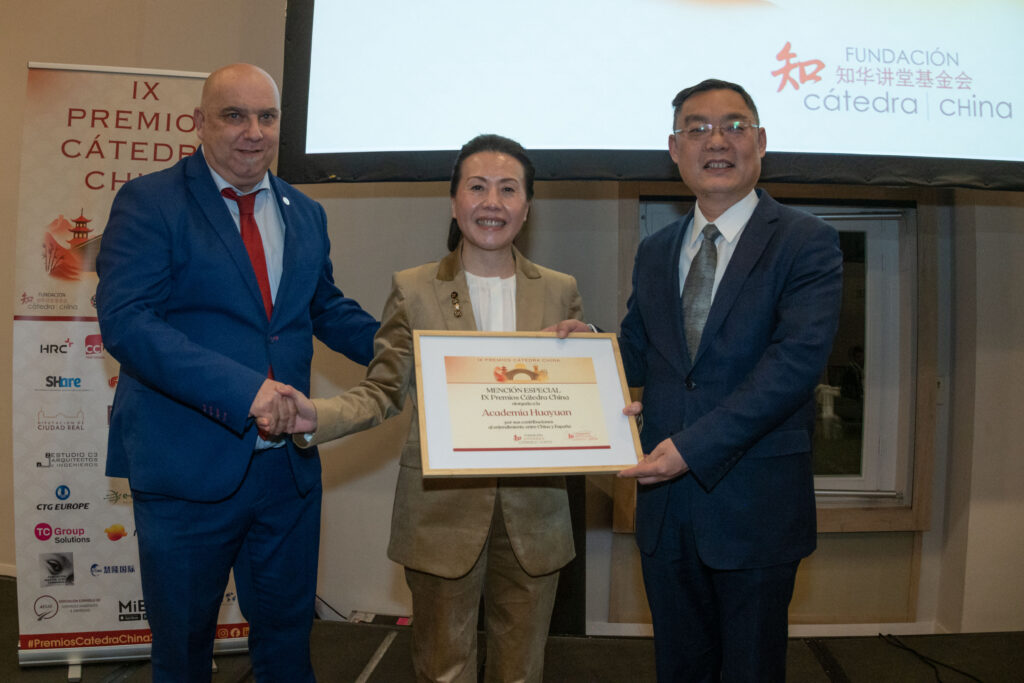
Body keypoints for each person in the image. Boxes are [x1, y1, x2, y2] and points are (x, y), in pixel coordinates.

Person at [96, 63, 379, 681]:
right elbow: (127, 322)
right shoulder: (149, 202)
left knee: (286, 642)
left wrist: (415, 352)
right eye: (234, 115)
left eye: (267, 117)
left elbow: (323, 307)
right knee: (184, 651)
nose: (254, 132)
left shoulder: (303, 211)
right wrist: (243, 391)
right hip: (186, 469)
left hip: (287, 474)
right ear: (199, 122)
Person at [553, 79, 843, 682]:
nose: (717, 140)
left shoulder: (806, 241)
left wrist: (691, 449)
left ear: (761, 143)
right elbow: (643, 351)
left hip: (754, 507)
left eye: (735, 126)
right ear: (674, 148)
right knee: (678, 667)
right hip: (667, 510)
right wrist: (588, 355)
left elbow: (793, 367)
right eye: (698, 127)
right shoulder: (658, 250)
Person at [273, 134, 582, 683]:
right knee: (443, 670)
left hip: (535, 515)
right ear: (454, 201)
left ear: (527, 207)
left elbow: (574, 397)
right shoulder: (414, 290)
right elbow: (385, 390)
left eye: (508, 189)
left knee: (523, 672)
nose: (492, 202)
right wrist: (317, 416)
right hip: (440, 515)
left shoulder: (561, 292)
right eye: (477, 187)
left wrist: (596, 389)